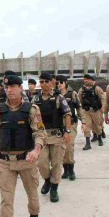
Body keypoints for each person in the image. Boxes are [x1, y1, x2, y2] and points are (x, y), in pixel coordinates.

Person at [0, 75, 46, 217]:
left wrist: (36, 150)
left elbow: (40, 132)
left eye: (13, 87)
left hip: (26, 160)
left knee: (32, 193)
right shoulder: (0, 110)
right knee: (6, 198)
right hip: (6, 162)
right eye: (7, 87)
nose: (9, 90)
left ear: (21, 88)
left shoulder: (31, 109)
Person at [33, 72, 71, 202]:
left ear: (51, 82)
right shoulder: (35, 99)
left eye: (46, 81)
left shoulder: (59, 97)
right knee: (41, 163)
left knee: (56, 164)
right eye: (41, 82)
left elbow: (67, 114)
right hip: (41, 137)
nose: (43, 84)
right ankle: (47, 180)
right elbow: (31, 117)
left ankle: (54, 188)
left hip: (56, 136)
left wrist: (68, 131)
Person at [56, 75, 86, 180]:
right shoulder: (55, 95)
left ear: (65, 83)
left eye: (61, 82)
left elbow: (79, 108)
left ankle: (71, 169)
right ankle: (65, 169)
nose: (59, 84)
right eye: (57, 82)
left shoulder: (72, 94)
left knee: (69, 146)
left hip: (71, 124)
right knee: (61, 148)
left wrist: (83, 122)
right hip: (59, 125)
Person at [78, 74, 105, 150]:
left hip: (96, 111)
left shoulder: (97, 88)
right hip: (86, 111)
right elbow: (79, 100)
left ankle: (99, 138)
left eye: (87, 79)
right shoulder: (81, 90)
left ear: (90, 80)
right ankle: (88, 143)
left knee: (97, 126)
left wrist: (103, 108)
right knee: (86, 127)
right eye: (84, 79)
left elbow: (103, 98)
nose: (85, 80)